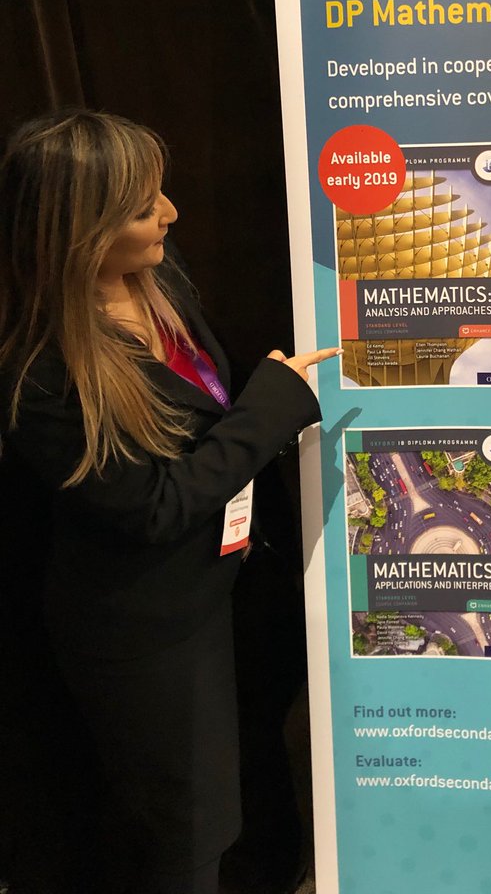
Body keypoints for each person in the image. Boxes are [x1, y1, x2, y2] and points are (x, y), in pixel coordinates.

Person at [0, 111, 337, 894]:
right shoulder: (38, 372)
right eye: (143, 206)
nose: (171, 214)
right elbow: (152, 508)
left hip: (231, 589)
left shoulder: (158, 275)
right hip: (150, 631)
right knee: (189, 831)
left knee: (248, 785)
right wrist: (270, 408)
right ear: (79, 232)